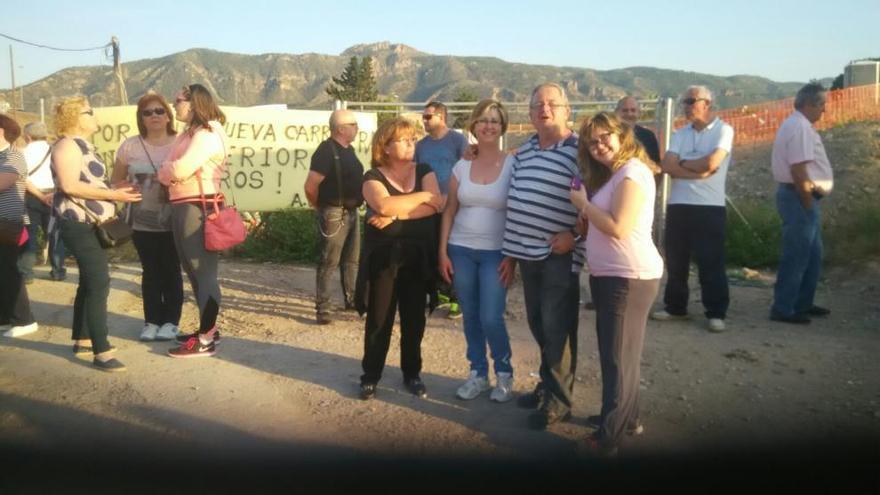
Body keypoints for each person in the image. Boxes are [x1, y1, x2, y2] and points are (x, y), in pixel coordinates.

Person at [570, 112, 663, 456]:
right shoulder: (616, 175)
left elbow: (619, 226)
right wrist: (586, 217)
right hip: (612, 276)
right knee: (622, 354)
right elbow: (601, 224)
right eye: (591, 142)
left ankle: (608, 436)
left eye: (604, 136)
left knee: (616, 357)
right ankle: (628, 417)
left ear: (622, 135)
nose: (598, 146)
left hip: (628, 277)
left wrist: (583, 205)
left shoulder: (633, 172)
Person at [501, 83, 585, 430]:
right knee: (538, 323)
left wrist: (576, 234)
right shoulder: (525, 150)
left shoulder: (581, 151)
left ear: (567, 110)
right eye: (537, 104)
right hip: (525, 253)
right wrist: (510, 253)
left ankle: (559, 401)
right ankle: (548, 384)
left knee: (557, 326)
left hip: (558, 255)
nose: (544, 109)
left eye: (552, 104)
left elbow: (596, 200)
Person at [355, 117, 443, 401]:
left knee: (414, 319)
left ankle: (412, 373)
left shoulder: (425, 170)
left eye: (413, 139)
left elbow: (436, 206)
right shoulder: (372, 176)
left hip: (418, 256)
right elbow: (382, 203)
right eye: (404, 140)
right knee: (380, 319)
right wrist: (422, 198)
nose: (411, 144)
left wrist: (395, 214)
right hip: (384, 258)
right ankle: (370, 376)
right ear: (386, 146)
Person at [51, 97, 142, 371]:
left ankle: (83, 338)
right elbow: (69, 185)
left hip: (89, 222)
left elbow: (86, 181)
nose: (94, 115)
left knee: (89, 282)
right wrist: (112, 194)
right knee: (99, 281)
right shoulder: (67, 145)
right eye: (89, 111)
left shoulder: (81, 145)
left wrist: (115, 186)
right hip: (77, 223)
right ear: (75, 116)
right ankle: (102, 351)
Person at [438, 99, 515, 402]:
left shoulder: (513, 163)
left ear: (502, 126)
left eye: (495, 120)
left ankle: (505, 374)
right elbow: (448, 210)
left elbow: (516, 214)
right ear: (473, 126)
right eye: (483, 119)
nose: (488, 125)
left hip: (496, 252)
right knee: (470, 315)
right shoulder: (462, 165)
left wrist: (512, 257)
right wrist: (442, 252)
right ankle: (478, 374)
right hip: (461, 250)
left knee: (491, 316)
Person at [652, 85, 733, 333]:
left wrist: (684, 165)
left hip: (709, 206)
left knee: (711, 261)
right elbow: (667, 165)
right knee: (676, 261)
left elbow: (712, 162)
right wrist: (697, 170)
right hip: (679, 205)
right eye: (684, 102)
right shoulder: (680, 133)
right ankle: (676, 307)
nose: (685, 106)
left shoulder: (724, 130)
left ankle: (716, 312)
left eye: (690, 101)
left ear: (706, 103)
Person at [159, 84, 228, 358]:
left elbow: (178, 168)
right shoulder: (191, 133)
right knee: (193, 269)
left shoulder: (208, 133)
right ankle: (207, 329)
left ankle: (206, 339)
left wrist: (169, 172)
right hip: (183, 205)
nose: (174, 105)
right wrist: (170, 171)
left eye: (178, 100)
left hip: (197, 206)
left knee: (204, 272)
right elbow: (169, 167)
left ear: (194, 102)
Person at [111, 93, 183, 342]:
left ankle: (171, 322)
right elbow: (115, 181)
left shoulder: (181, 142)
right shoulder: (129, 146)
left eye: (159, 111)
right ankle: (151, 321)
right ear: (140, 117)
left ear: (168, 115)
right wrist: (127, 188)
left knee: (172, 270)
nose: (154, 116)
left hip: (176, 220)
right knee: (150, 271)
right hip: (141, 222)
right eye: (147, 112)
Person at [769, 83, 833, 324]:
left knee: (812, 254)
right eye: (821, 105)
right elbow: (798, 170)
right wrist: (807, 203)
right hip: (799, 196)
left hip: (802, 197)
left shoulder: (799, 125)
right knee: (797, 254)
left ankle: (802, 302)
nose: (823, 110)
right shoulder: (799, 127)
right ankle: (784, 307)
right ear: (808, 104)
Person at [304, 109, 364, 325]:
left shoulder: (349, 150)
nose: (357, 128)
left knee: (351, 260)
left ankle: (352, 301)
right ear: (341, 128)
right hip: (334, 212)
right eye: (353, 124)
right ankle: (323, 308)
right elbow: (311, 186)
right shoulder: (326, 151)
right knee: (329, 261)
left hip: (352, 211)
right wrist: (320, 208)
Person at [416, 101, 468, 319]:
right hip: (428, 207)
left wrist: (454, 197)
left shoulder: (457, 140)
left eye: (428, 117)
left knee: (452, 251)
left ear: (441, 117)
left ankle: (458, 299)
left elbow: (468, 168)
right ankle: (440, 294)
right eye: (423, 117)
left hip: (453, 206)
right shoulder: (420, 145)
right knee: (432, 249)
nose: (424, 121)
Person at [0, 114, 39, 338]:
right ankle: (5, 317)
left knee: (10, 272)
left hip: (8, 225)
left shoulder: (13, 155)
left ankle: (24, 319)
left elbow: (3, 182)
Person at [18, 121, 66, 283]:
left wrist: (39, 195)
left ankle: (26, 273)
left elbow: (21, 179)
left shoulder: (21, 154)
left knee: (29, 234)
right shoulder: (56, 151)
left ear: (27, 136)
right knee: (55, 234)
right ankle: (58, 271)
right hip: (54, 197)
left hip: (30, 198)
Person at [615, 96, 661, 163]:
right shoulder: (610, 135)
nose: (629, 114)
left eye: (633, 110)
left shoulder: (649, 136)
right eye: (625, 110)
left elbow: (655, 163)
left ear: (639, 113)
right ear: (616, 112)